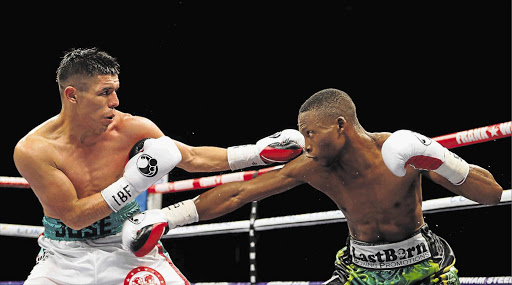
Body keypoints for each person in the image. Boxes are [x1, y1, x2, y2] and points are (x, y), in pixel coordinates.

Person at [125, 88, 503, 284]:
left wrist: (446, 161)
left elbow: (491, 194)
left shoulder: (398, 152)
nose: (304, 143)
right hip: (357, 271)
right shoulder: (315, 166)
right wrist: (172, 216)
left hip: (425, 270)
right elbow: (244, 191)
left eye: (310, 133)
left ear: (340, 125)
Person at [13, 47, 304, 285]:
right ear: (72, 95)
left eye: (115, 90)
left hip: (126, 244)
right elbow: (75, 217)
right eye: (104, 93)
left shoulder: (131, 128)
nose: (115, 101)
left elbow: (191, 158)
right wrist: (133, 183)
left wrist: (256, 154)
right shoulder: (34, 150)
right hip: (63, 255)